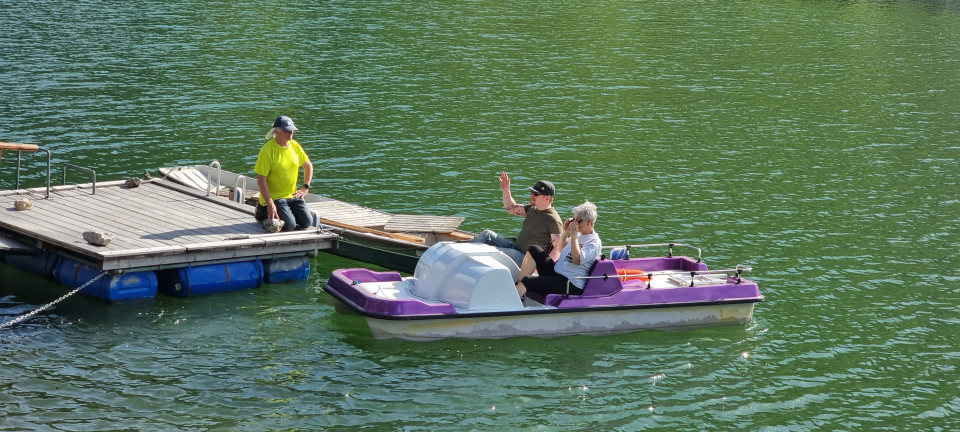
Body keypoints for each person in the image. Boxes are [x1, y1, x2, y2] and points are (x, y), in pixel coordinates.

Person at [471, 172, 563, 266]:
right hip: (514, 248)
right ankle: (465, 253)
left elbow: (558, 247)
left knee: (494, 251)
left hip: (525, 259)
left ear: (547, 198)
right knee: (487, 234)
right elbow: (511, 208)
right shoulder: (532, 209)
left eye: (536, 193)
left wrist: (544, 267)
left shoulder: (552, 219)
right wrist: (506, 190)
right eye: (531, 192)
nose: (532, 195)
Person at [515, 200, 601, 298]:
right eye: (574, 220)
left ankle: (512, 301)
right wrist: (565, 232)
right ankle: (518, 286)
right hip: (557, 273)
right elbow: (560, 249)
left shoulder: (594, 242)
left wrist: (574, 236)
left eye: (578, 221)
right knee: (534, 249)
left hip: (570, 283)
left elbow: (577, 259)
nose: (575, 224)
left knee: (528, 280)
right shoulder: (578, 235)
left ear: (589, 221)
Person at [254, 115, 314, 232]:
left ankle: (286, 215)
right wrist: (270, 203)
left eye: (292, 130)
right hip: (276, 197)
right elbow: (261, 180)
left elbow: (308, 166)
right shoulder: (267, 150)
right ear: (277, 132)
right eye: (287, 130)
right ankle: (262, 212)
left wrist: (305, 187)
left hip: (292, 195)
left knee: (307, 222)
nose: (291, 133)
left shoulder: (294, 145)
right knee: (290, 226)